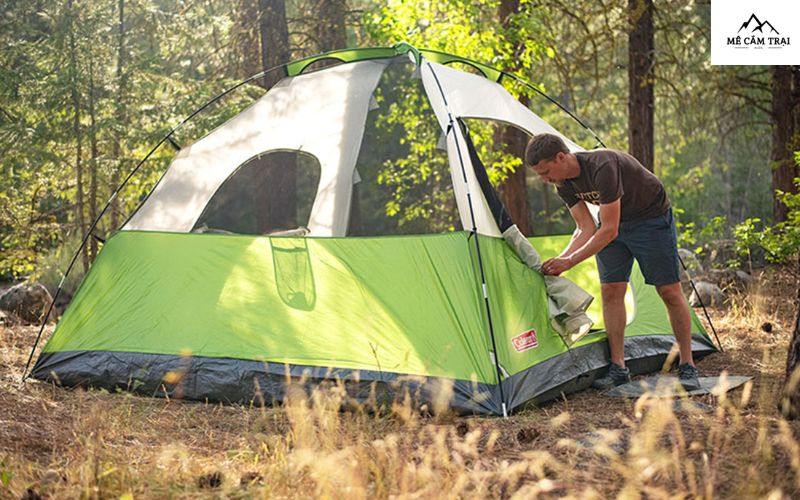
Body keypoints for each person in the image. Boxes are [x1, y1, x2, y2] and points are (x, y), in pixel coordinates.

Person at [524, 133, 700, 390]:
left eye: (546, 171)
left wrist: (570, 262)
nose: (544, 179)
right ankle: (618, 368)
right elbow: (584, 227)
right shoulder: (562, 183)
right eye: (540, 175)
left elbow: (608, 230)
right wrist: (560, 259)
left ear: (561, 157)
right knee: (611, 290)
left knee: (669, 291)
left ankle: (687, 364)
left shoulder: (602, 166)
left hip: (650, 220)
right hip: (613, 224)